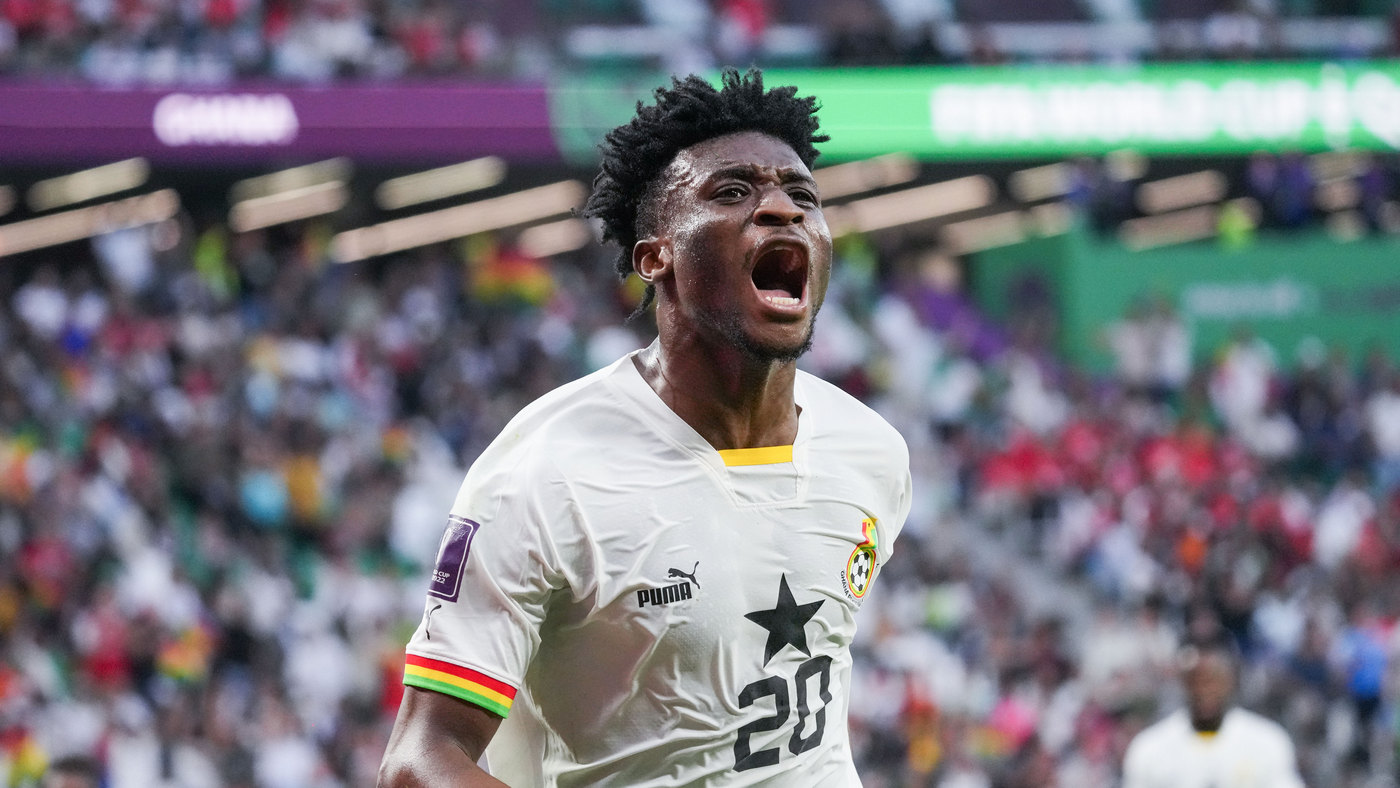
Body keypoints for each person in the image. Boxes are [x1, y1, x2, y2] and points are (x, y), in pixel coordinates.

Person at [378, 68, 913, 786]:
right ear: (655, 255)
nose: (781, 209)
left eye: (803, 195)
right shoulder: (545, 473)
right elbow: (419, 761)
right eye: (733, 192)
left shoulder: (871, 453)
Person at [1121, 636, 1304, 788]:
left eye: (1213, 678)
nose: (1204, 689)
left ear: (1230, 680)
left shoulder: (1266, 742)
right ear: (1182, 683)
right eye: (1196, 679)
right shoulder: (1150, 748)